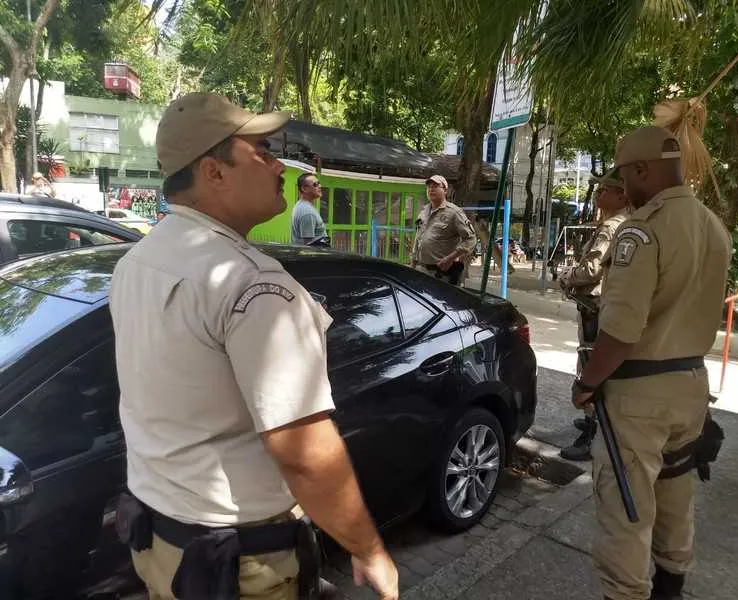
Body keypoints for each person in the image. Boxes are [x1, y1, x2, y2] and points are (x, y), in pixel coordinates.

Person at [109, 92, 398, 600]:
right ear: (213, 171)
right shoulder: (255, 286)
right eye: (261, 150)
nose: (280, 166)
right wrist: (369, 548)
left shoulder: (138, 261)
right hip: (236, 565)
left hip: (160, 544)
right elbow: (306, 454)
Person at [571, 126, 731, 600]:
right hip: (691, 387)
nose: (624, 188)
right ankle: (672, 586)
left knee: (627, 511)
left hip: (640, 397)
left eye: (625, 175)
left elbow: (621, 331)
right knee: (677, 496)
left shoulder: (641, 232)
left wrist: (587, 382)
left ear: (642, 169)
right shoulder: (712, 225)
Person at [557, 172, 630, 462]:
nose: (599, 196)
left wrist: (566, 276)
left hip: (594, 305)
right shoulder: (625, 223)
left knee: (589, 365)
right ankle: (594, 421)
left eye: (605, 191)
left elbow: (591, 270)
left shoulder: (612, 226)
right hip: (603, 304)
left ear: (621, 196)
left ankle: (593, 430)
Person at [410, 174, 477, 285]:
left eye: (436, 186)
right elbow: (418, 239)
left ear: (445, 190)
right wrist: (412, 266)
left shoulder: (454, 212)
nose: (431, 189)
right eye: (429, 187)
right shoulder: (423, 212)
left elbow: (471, 239)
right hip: (420, 271)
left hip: (442, 275)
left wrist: (451, 258)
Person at [291, 173, 327, 245]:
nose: (320, 186)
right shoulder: (307, 212)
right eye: (315, 184)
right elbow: (308, 246)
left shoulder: (301, 205)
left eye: (319, 183)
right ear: (304, 189)